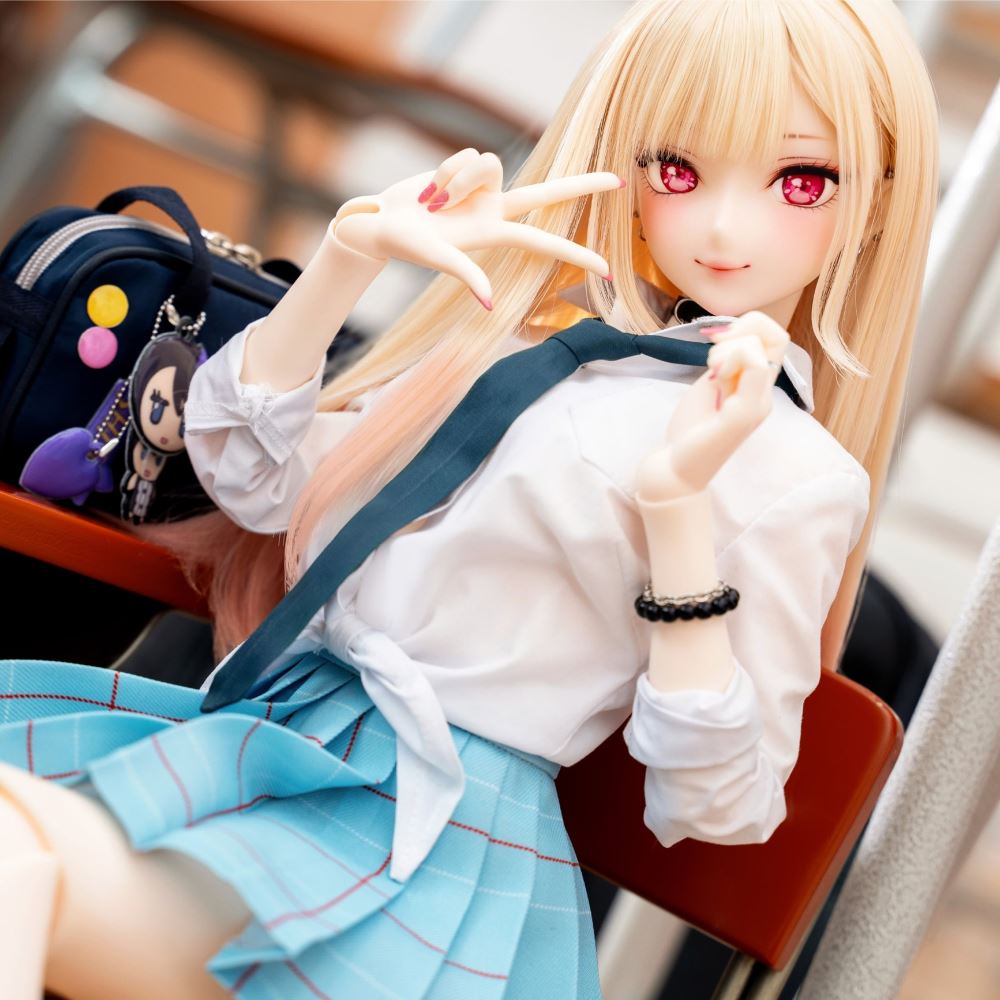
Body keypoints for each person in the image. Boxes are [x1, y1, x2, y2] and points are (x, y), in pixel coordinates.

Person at [0, 1, 938, 997]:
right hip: (273, 749)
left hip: (425, 858)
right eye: (677, 169)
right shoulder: (537, 347)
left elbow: (723, 801)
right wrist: (348, 259)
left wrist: (676, 516)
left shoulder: (790, 470)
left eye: (800, 181)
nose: (721, 226)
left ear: (877, 202)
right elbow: (258, 482)